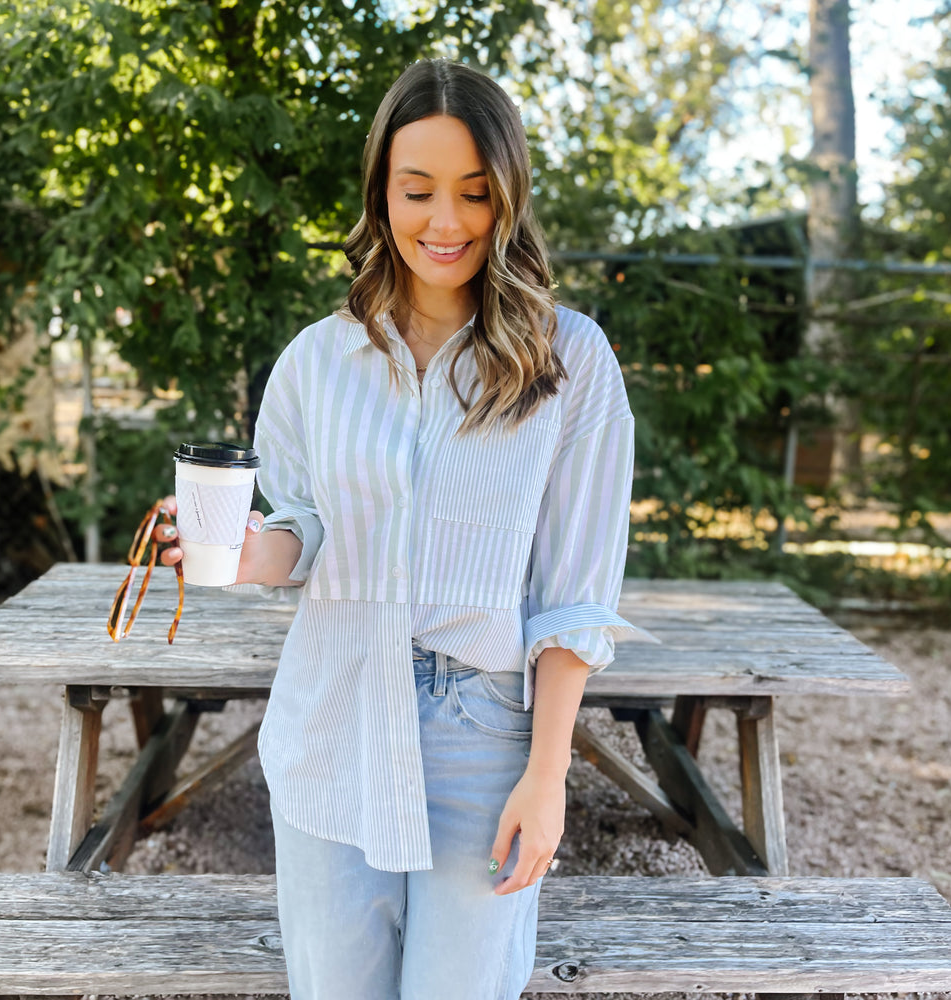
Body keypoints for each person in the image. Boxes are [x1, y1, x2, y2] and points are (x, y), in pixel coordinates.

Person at [158, 58, 638, 1000]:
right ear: (381, 195)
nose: (446, 222)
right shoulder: (315, 362)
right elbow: (303, 528)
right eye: (417, 191)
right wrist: (253, 553)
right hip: (331, 710)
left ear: (510, 200)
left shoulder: (569, 362)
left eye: (474, 193)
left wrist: (548, 780)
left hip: (486, 728)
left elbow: (576, 593)